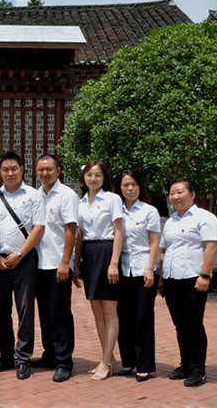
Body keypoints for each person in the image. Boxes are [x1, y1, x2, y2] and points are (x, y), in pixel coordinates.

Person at [0, 151, 45, 380]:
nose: (10, 173)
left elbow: (38, 228)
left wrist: (20, 254)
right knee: (0, 310)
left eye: (14, 168)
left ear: (22, 169)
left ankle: (23, 358)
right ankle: (5, 355)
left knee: (25, 310)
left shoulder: (33, 195)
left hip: (24, 261)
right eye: (5, 169)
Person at [160, 178, 217, 388]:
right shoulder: (171, 221)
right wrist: (161, 278)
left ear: (192, 194)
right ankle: (185, 364)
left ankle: (198, 370)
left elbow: (212, 247)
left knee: (194, 325)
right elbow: (164, 250)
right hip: (172, 279)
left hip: (193, 279)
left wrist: (205, 275)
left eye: (180, 192)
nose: (176, 196)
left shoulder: (205, 217)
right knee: (180, 325)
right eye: (172, 193)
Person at [73, 160, 123, 381]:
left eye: (98, 175)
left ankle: (105, 361)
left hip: (107, 250)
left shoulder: (112, 199)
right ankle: (108, 357)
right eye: (89, 175)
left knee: (109, 309)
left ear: (104, 178)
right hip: (89, 254)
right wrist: (76, 264)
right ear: (84, 178)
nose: (93, 179)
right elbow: (80, 235)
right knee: (96, 309)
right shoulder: (81, 202)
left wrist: (114, 263)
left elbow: (119, 232)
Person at [32, 154, 79, 382]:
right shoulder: (37, 194)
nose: (45, 173)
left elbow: (71, 230)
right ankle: (50, 354)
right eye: (41, 170)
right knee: (45, 312)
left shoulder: (66, 195)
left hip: (57, 264)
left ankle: (64, 361)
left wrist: (65, 262)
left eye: (49, 169)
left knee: (60, 313)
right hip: (38, 264)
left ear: (58, 171)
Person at [116, 170, 161, 382]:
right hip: (123, 269)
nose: (130, 189)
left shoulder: (149, 211)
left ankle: (145, 364)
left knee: (143, 317)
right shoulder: (117, 210)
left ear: (140, 186)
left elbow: (154, 242)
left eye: (133, 184)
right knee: (123, 317)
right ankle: (128, 361)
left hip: (143, 269)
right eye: (125, 185)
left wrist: (150, 268)